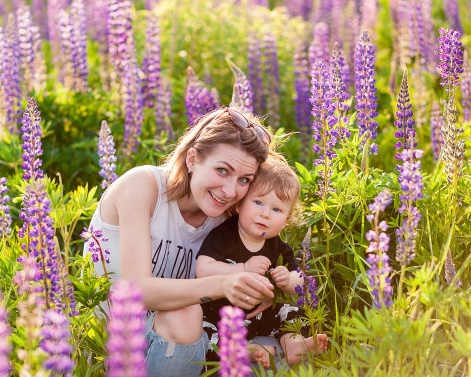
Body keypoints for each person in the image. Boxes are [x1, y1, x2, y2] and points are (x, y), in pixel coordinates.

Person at [83, 107, 276, 377]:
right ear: (193, 158)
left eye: (244, 180)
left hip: (183, 348)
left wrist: (263, 288)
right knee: (183, 315)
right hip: (114, 348)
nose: (231, 191)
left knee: (273, 352)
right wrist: (224, 283)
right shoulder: (143, 186)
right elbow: (137, 291)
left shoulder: (225, 217)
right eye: (222, 170)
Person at [196, 155, 328, 368]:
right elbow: (203, 269)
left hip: (261, 317)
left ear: (285, 220)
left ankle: (293, 344)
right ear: (239, 204)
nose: (265, 214)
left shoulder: (277, 246)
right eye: (258, 202)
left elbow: (300, 282)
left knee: (290, 311)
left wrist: (287, 280)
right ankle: (242, 352)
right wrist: (243, 268)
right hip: (219, 316)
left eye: (276, 210)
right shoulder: (225, 234)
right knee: (204, 333)